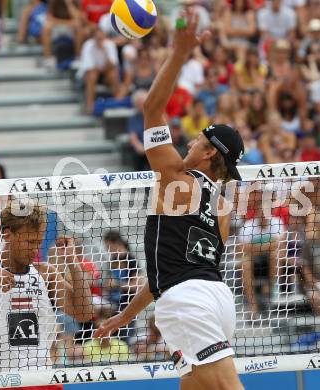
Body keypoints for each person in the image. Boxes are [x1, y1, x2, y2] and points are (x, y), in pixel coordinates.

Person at [95, 12, 244, 390]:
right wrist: (126, 315)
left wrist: (178, 54)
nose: (190, 141)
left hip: (187, 302)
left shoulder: (175, 177)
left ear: (209, 153)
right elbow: (170, 272)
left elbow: (150, 108)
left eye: (198, 140)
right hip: (216, 299)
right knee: (193, 387)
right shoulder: (223, 207)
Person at [0, 202, 93, 371]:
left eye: (39, 242)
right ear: (8, 235)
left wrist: (72, 262)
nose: (36, 250)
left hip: (41, 377)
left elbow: (84, 313)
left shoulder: (45, 272)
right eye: (30, 242)